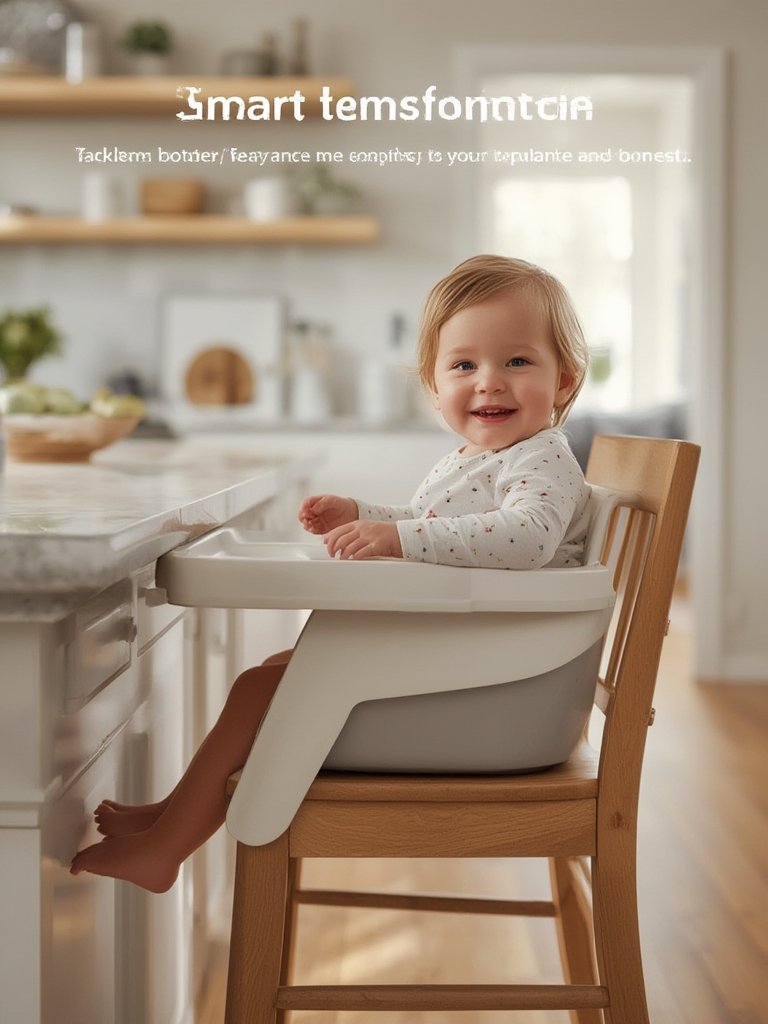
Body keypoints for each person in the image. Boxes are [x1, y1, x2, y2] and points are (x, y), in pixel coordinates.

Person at [70, 254, 591, 892]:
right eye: (463, 365)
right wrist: (366, 515)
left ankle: (168, 848)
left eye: (517, 361)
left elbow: (525, 539)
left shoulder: (542, 459)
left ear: (564, 380)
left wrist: (395, 535)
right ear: (433, 384)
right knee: (267, 675)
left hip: (500, 698)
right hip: (479, 669)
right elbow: (438, 524)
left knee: (261, 693)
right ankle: (176, 815)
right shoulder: (479, 459)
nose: (489, 382)